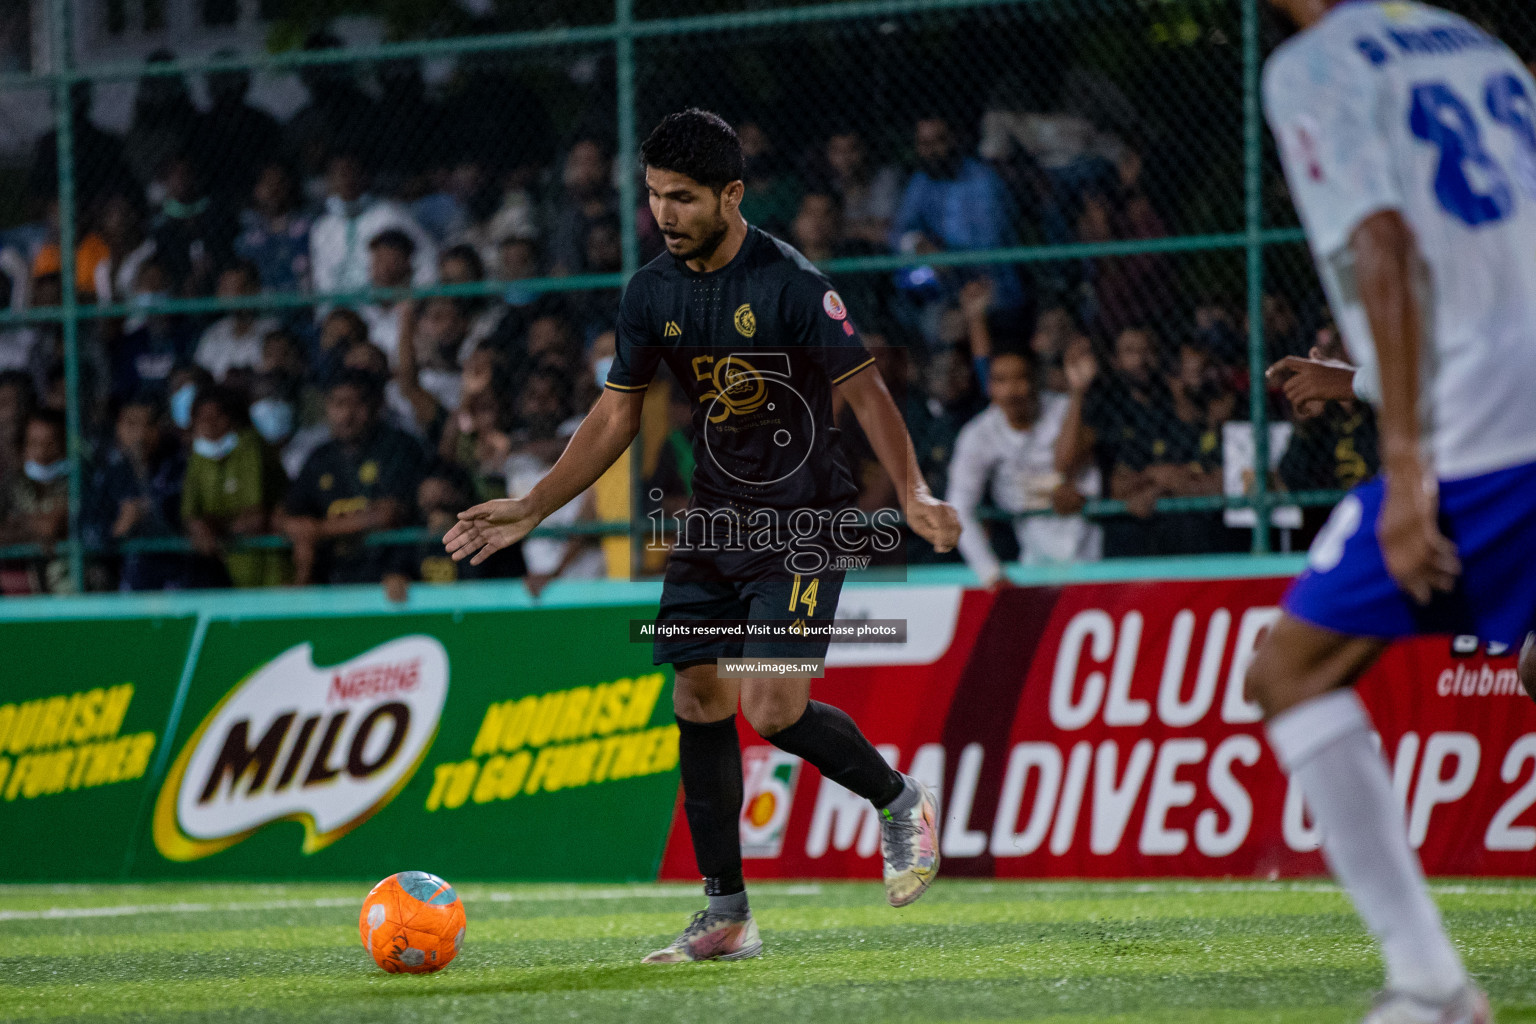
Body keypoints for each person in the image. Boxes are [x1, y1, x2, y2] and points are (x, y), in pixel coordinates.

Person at [444, 109, 961, 963]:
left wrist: (911, 492)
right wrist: (536, 504)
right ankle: (725, 915)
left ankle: (899, 797)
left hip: (802, 522)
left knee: (770, 707)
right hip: (714, 519)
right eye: (653, 196)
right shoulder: (650, 290)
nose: (664, 214)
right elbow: (618, 410)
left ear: (731, 194)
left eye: (682, 197)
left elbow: (867, 394)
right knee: (697, 697)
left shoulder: (794, 284)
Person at [1247, 3, 1536, 1021]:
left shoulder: (1317, 67)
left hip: (1490, 428)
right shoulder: (1473, 44)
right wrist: (1356, 374)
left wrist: (1407, 465)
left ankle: (1432, 983)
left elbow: (1386, 243)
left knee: (1289, 668)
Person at [948, 349, 1100, 584]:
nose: (1011, 390)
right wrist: (989, 572)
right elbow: (959, 506)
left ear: (1036, 381)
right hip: (1034, 559)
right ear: (989, 387)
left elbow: (1068, 465)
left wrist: (1077, 392)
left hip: (1095, 547)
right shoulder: (978, 434)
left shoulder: (1066, 409)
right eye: (1000, 381)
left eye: (1020, 378)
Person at [278, 371, 427, 586]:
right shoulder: (319, 458)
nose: (346, 415)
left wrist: (318, 530)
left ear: (377, 406)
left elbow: (388, 513)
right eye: (338, 404)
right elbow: (288, 511)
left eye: (356, 404)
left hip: (391, 578)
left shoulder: (400, 448)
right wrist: (293, 527)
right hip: (331, 580)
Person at [181, 385, 287, 588]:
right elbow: (190, 515)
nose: (210, 426)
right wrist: (199, 528)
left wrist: (214, 528)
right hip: (224, 574)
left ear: (234, 418)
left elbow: (255, 519)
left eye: (217, 417)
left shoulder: (251, 446)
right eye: (202, 419)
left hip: (267, 570)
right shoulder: (198, 457)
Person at [193, 261, 279, 381]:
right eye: (224, 288)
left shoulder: (272, 331)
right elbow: (201, 374)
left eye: (234, 287)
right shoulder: (214, 333)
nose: (228, 295)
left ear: (253, 289)